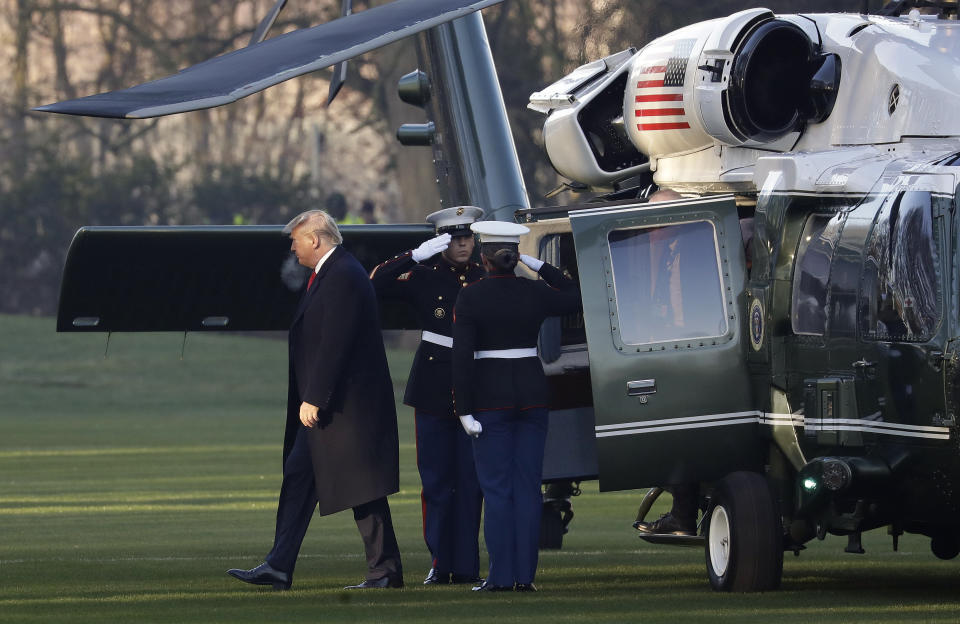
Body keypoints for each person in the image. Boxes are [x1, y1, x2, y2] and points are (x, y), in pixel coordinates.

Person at [227, 209, 404, 590]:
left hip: (342, 409)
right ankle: (279, 564)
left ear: (315, 239)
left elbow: (335, 344)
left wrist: (315, 397)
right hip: (332, 409)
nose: (292, 248)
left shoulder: (342, 275)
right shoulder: (333, 273)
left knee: (363, 489)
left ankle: (385, 571)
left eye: (295, 240)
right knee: (300, 476)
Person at [452, 221, 581, 592]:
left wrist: (463, 409)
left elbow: (462, 357)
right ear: (512, 257)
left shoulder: (471, 296)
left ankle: (500, 577)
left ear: (484, 257)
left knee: (496, 490)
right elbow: (573, 292)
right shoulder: (534, 291)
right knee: (527, 488)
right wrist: (534, 262)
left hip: (490, 400)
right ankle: (525, 578)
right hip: (531, 393)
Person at [370, 206, 486, 585]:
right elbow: (375, 283)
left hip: (479, 388)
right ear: (441, 242)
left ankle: (466, 564)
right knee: (436, 482)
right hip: (433, 389)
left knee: (471, 483)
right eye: (454, 238)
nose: (463, 243)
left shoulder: (487, 277)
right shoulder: (423, 277)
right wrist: (414, 254)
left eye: (467, 236)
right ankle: (441, 560)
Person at [635, 188, 699, 536]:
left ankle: (684, 512)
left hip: (689, 351)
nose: (658, 225)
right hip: (660, 348)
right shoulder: (655, 251)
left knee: (679, 435)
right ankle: (682, 507)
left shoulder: (696, 249)